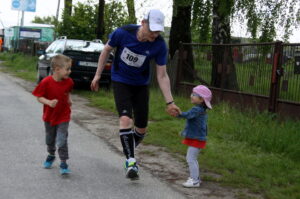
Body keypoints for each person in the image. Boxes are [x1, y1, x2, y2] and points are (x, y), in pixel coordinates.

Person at [90, 9, 180, 180]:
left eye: (158, 31)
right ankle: (131, 162)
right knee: (125, 120)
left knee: (141, 128)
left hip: (140, 84)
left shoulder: (160, 45)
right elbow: (106, 50)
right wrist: (97, 75)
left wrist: (170, 102)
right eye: (152, 29)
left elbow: (162, 75)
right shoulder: (123, 33)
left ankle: (128, 147)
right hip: (120, 80)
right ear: (143, 22)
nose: (154, 34)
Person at [32, 54, 74, 175]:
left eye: (70, 69)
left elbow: (67, 91)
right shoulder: (46, 82)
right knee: (50, 139)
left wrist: (69, 99)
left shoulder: (69, 82)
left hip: (63, 115)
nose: (69, 72)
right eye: (67, 69)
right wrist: (49, 102)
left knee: (62, 139)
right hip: (49, 116)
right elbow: (39, 97)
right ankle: (51, 154)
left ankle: (64, 162)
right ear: (57, 69)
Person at [177, 85, 212, 188]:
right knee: (192, 158)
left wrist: (178, 113)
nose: (191, 96)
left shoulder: (196, 109)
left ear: (201, 100)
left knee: (190, 158)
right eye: (192, 93)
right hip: (198, 138)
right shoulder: (200, 109)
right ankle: (195, 178)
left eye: (194, 95)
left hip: (197, 139)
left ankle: (195, 180)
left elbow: (187, 115)